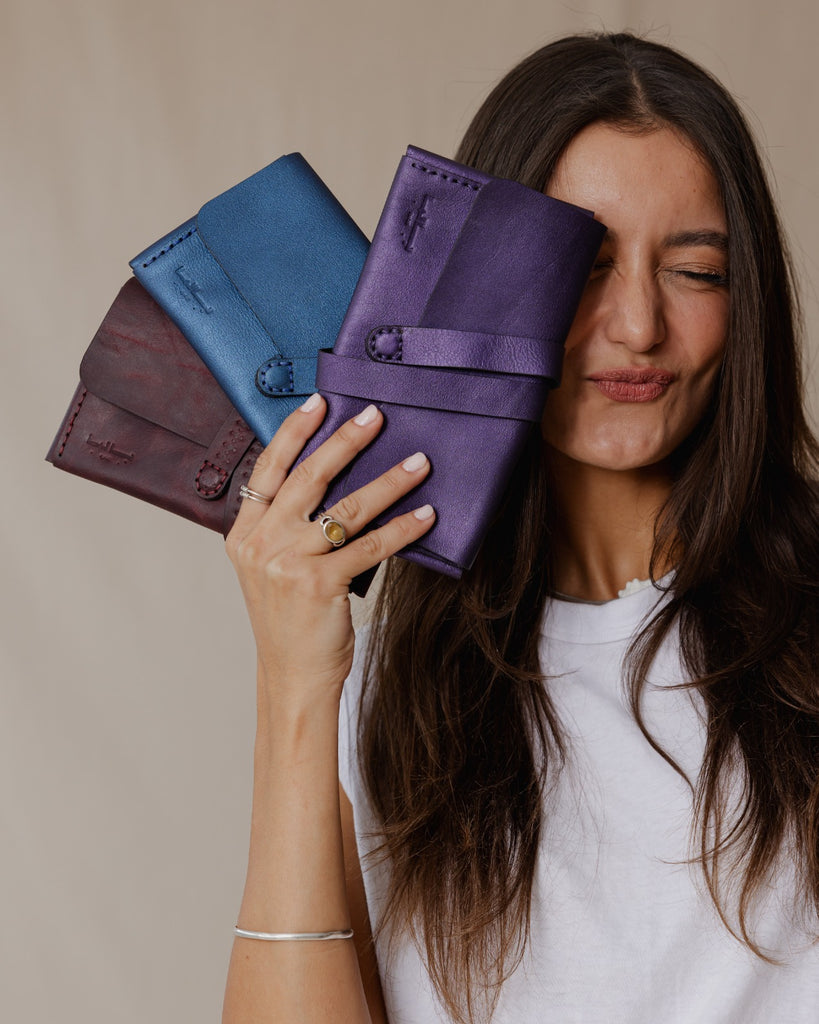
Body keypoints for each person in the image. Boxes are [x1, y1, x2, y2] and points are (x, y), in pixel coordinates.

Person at [220, 32, 819, 1024]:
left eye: (696, 271)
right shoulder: (389, 686)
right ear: (484, 281)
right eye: (583, 267)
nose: (638, 326)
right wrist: (293, 683)